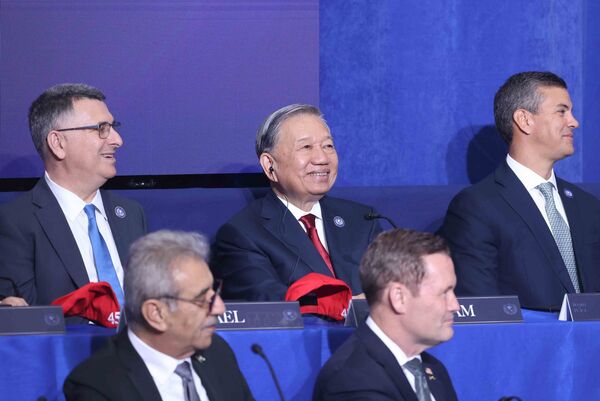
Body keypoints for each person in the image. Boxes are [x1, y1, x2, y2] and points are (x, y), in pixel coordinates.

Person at [439, 71, 600, 310]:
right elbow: (484, 310)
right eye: (562, 111)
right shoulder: (476, 208)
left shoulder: (587, 206)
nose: (574, 122)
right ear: (524, 120)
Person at [212, 104, 382, 300]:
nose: (322, 158)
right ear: (270, 165)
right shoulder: (242, 235)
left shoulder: (362, 220)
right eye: (306, 147)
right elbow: (272, 302)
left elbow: (394, 285)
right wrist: (348, 305)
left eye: (328, 146)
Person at [0, 83, 146, 307]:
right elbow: (29, 316)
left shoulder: (131, 213)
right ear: (58, 143)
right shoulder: (14, 222)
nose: (117, 140)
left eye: (113, 127)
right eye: (102, 128)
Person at [64, 230, 254, 401]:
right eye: (201, 299)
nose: (220, 308)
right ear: (156, 314)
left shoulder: (218, 353)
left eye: (215, 291)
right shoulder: (97, 386)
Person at [313, 229, 459, 401]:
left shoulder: (432, 369)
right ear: (399, 298)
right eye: (444, 293)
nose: (455, 306)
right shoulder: (352, 381)